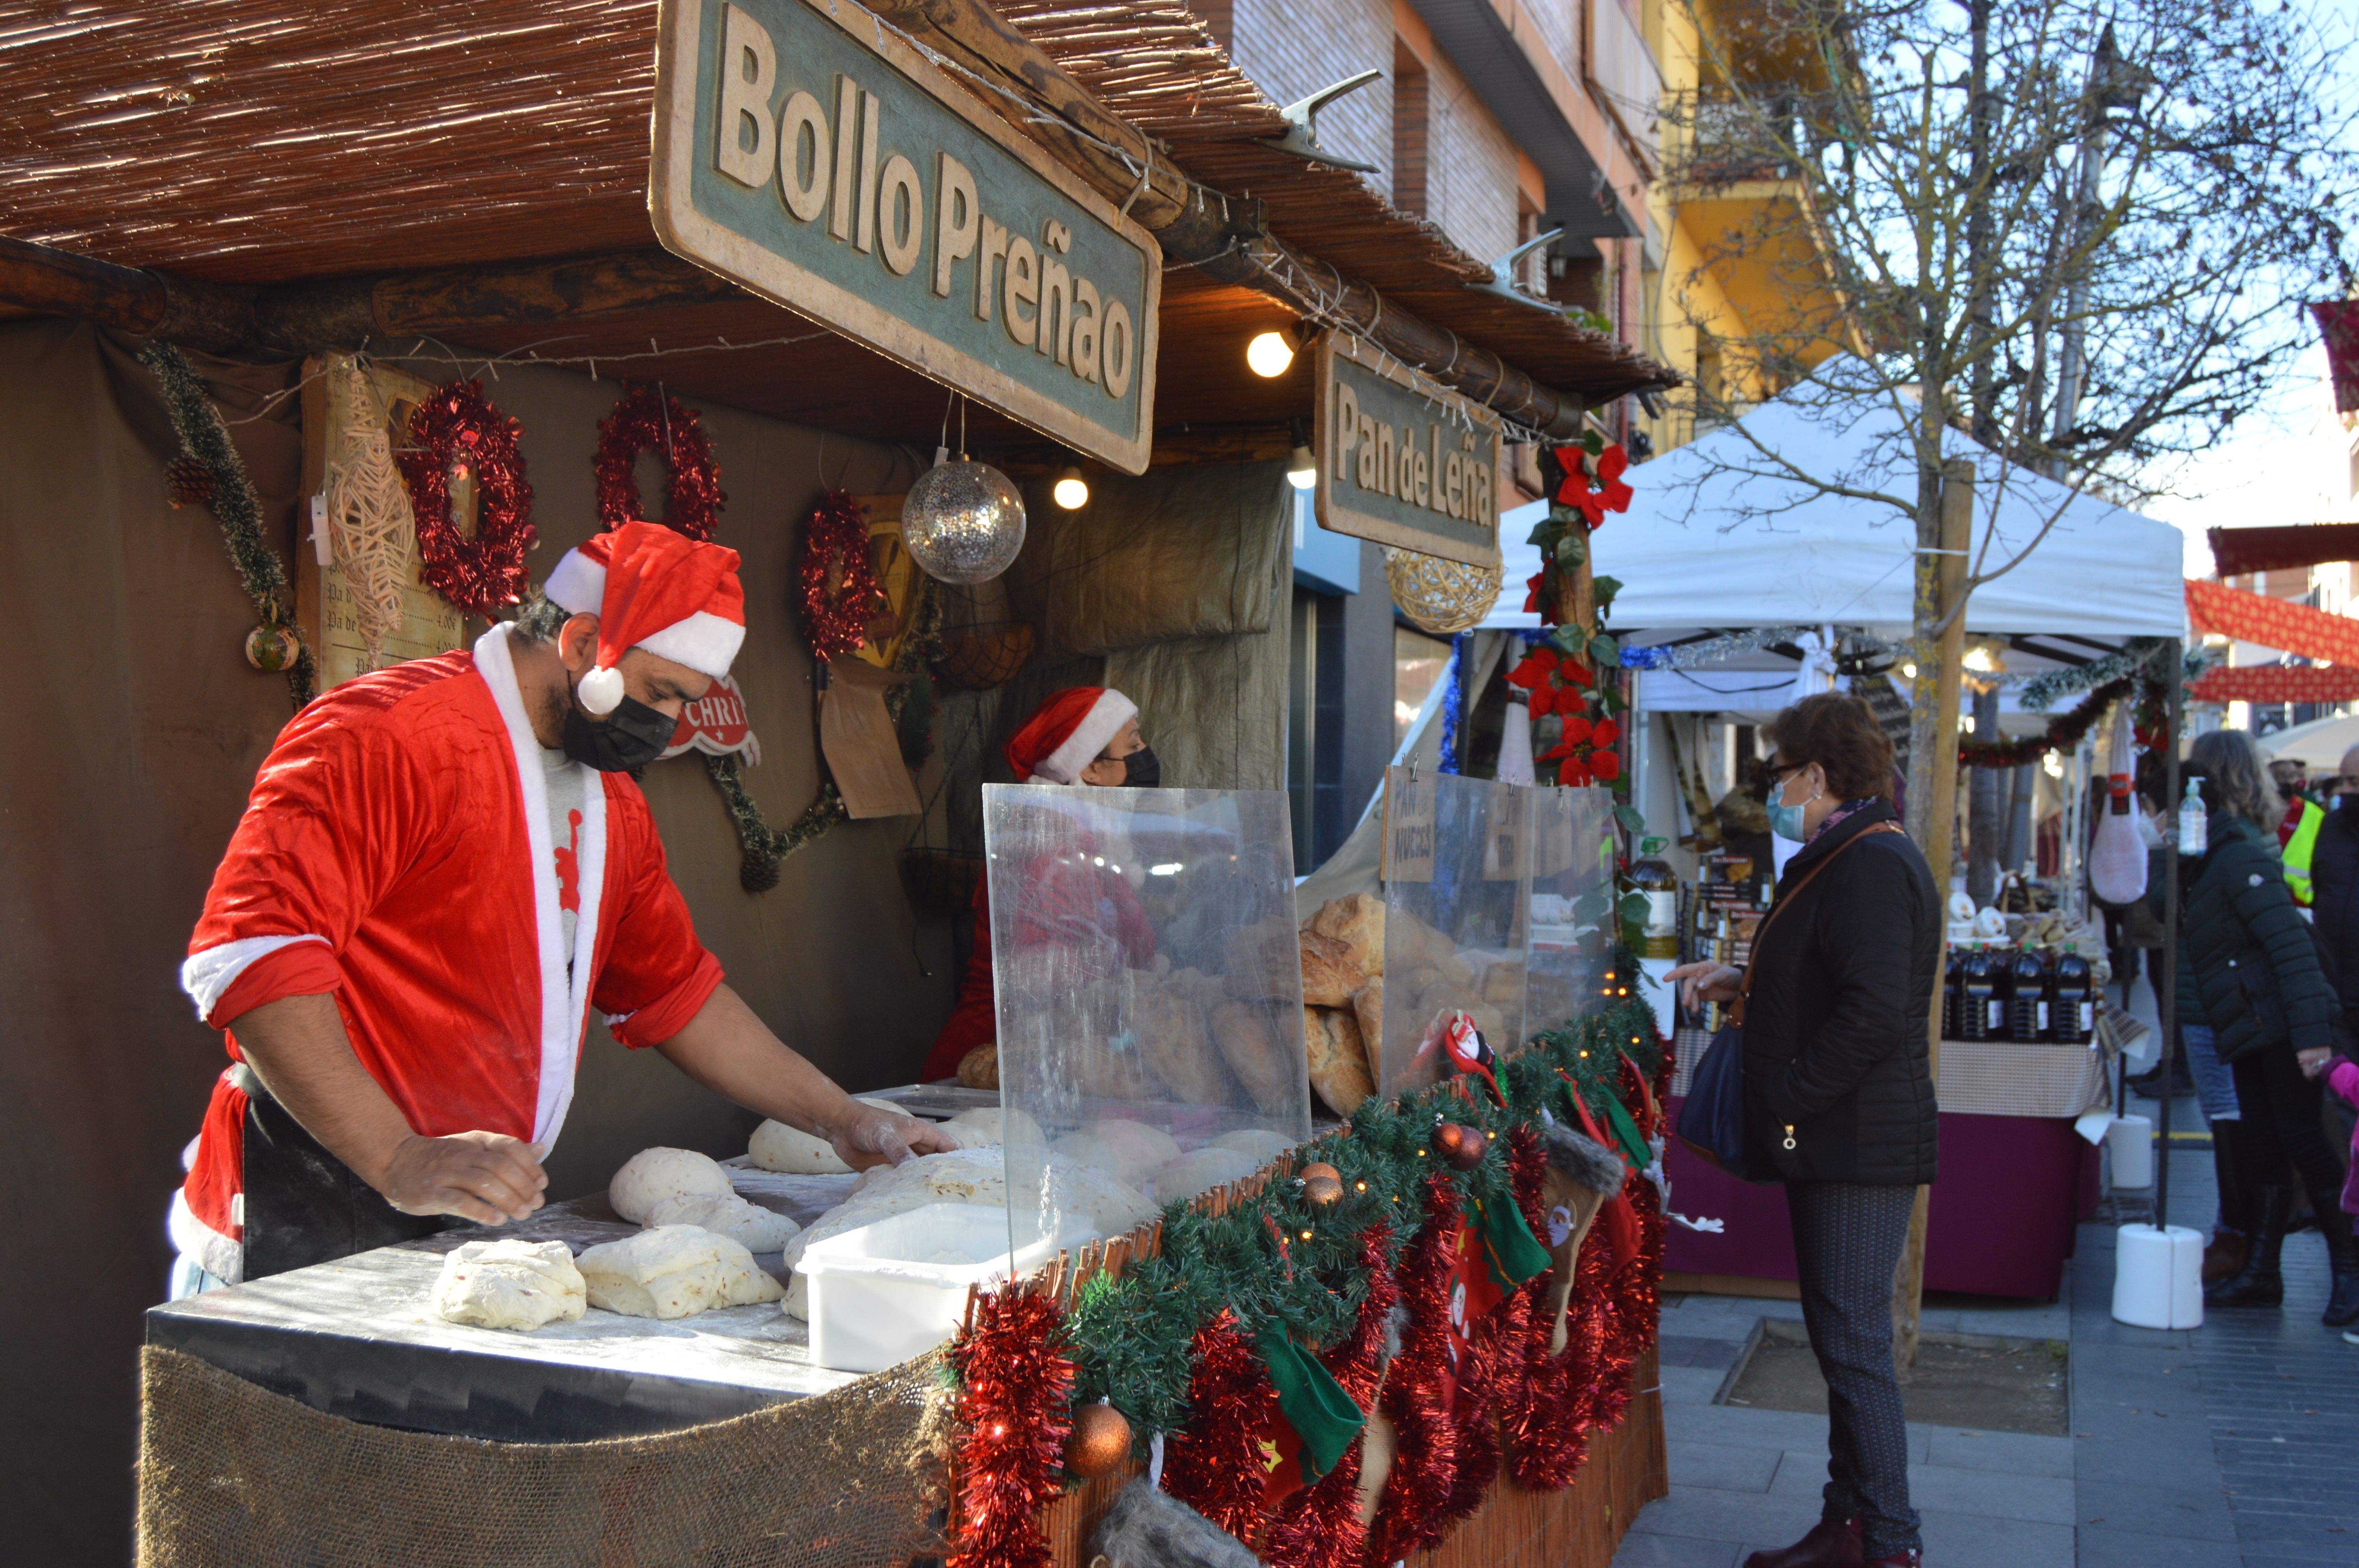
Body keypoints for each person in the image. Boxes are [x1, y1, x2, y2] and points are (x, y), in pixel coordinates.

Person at [169, 522, 955, 1292]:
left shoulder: (611, 801)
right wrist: (397, 1154)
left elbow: (674, 994)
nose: (672, 726)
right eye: (661, 694)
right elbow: (254, 957)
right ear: (582, 644)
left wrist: (843, 1118)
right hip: (311, 1197)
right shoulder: (388, 734)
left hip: (463, 1216)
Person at [1668, 692, 1938, 1568]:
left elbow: (1871, 1010)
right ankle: (1845, 1523)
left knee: (1854, 1344)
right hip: (1840, 1133)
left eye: (1778, 772)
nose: (1772, 789)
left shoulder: (1867, 861)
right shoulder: (1844, 853)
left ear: (1815, 774)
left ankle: (1889, 1542)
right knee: (1840, 1337)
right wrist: (1737, 979)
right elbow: (1829, 973)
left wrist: (1786, 1095)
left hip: (1854, 1139)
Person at [2177, 730, 2357, 1325]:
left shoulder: (2240, 859)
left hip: (2282, 1024)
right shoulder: (2209, 857)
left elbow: (2293, 951)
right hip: (2253, 1024)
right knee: (2263, 1145)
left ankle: (2350, 1275)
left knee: (2306, 1143)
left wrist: (2313, 1038)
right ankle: (2262, 1273)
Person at [920, 687, 1160, 1082]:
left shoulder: (1086, 842)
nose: (1145, 752)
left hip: (1039, 1054)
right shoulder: (1052, 852)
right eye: (1133, 743)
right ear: (1090, 769)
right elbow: (1041, 974)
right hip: (996, 1061)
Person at [2272, 755, 2324, 906]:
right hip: (2265, 896)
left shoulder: (2314, 814)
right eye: (2280, 777)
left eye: (2290, 777)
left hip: (2301, 901)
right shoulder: (2256, 812)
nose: (2285, 782)